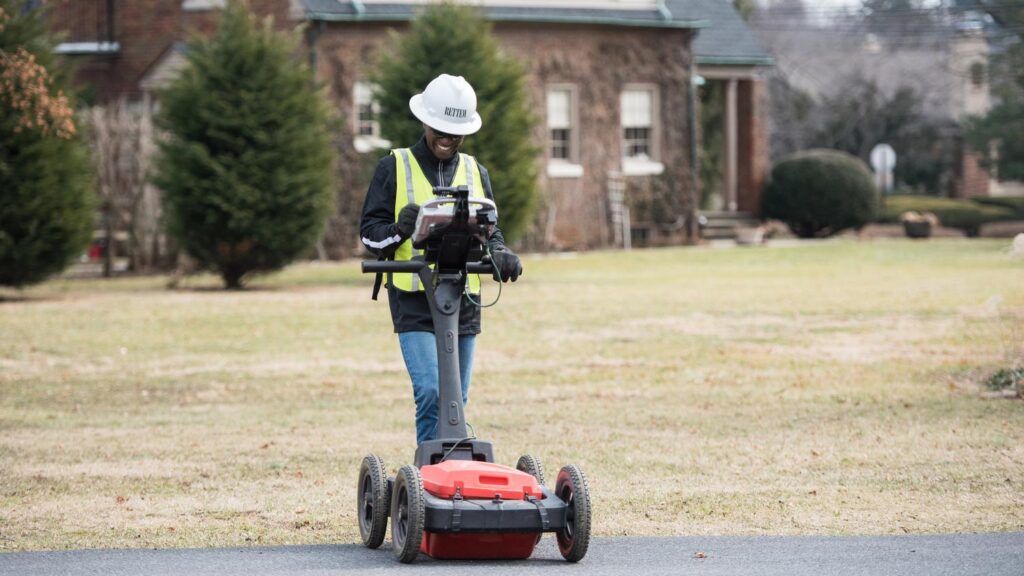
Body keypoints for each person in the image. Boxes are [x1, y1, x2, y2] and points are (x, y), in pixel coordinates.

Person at [359, 74, 523, 445]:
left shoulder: (475, 170)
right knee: (432, 392)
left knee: (457, 399)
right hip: (414, 296)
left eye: (455, 132)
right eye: (440, 130)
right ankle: (431, 477)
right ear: (424, 121)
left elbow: (491, 227)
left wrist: (500, 252)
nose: (447, 139)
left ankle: (453, 478)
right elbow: (370, 234)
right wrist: (400, 229)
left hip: (463, 296)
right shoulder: (394, 166)